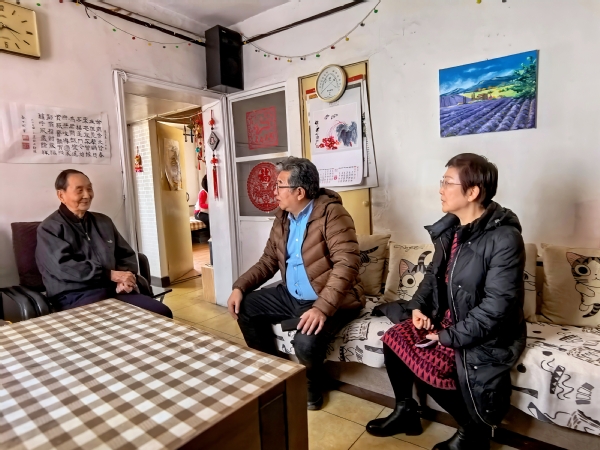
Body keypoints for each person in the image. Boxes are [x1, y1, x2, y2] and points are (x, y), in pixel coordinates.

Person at [366, 154, 526, 450]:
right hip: (449, 318)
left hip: (485, 329)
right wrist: (417, 307)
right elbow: (432, 275)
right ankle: (406, 411)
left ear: (472, 192)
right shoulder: (451, 230)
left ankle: (473, 432)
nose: (440, 189)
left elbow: (498, 307)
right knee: (394, 337)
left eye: (447, 182)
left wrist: (448, 336)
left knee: (434, 364)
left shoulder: (504, 239)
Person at [227, 157, 365, 410]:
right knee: (245, 306)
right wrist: (240, 286)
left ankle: (311, 382)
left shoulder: (332, 214)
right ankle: (275, 371)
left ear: (299, 192)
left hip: (329, 299)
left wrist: (321, 308)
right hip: (291, 295)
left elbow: (347, 263)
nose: (274, 191)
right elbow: (268, 261)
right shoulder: (283, 217)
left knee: (305, 342)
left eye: (279, 186)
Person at [36, 169, 173, 319]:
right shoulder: (49, 228)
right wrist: (109, 275)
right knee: (117, 321)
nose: (87, 195)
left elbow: (126, 255)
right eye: (79, 190)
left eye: (89, 189)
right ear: (61, 195)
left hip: (113, 289)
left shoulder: (103, 221)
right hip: (75, 295)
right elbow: (63, 268)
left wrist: (124, 279)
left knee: (161, 313)